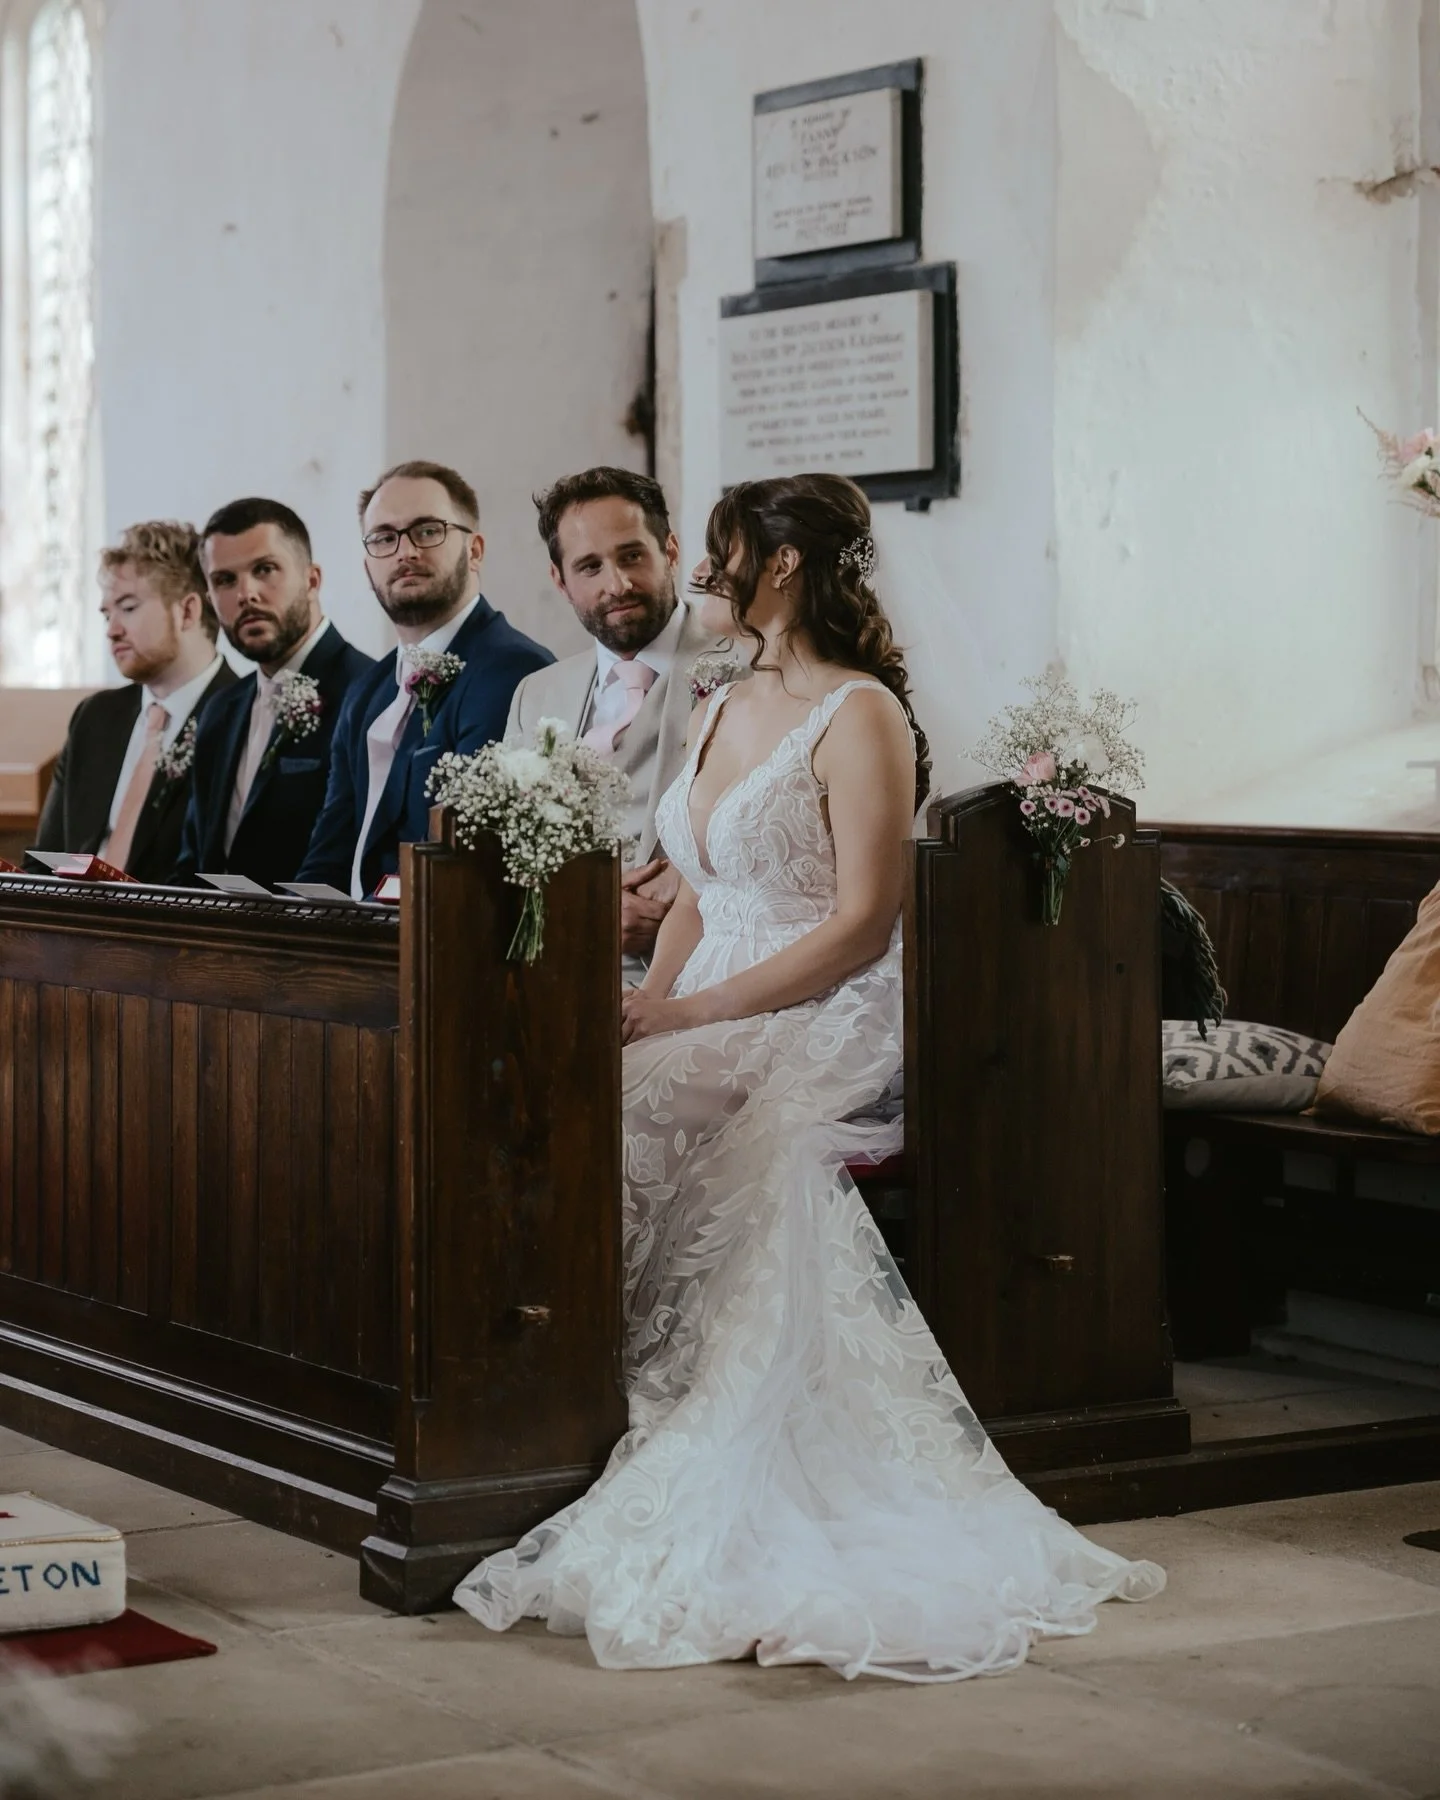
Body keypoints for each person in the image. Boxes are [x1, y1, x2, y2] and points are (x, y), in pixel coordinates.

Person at [455, 473, 1163, 1680]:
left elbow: (864, 923)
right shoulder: (725, 691)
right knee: (575, 1099)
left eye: (718, 550)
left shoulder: (861, 715)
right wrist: (648, 1005)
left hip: (825, 999)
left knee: (673, 1132)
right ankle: (543, 1403)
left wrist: (698, 1013)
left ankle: (647, 1411)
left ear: (779, 566)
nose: (699, 574)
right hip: (712, 979)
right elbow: (692, 889)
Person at [506, 467, 730, 980]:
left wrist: (679, 915)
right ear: (560, 581)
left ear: (670, 550)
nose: (618, 584)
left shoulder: (746, 665)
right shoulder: (534, 695)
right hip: (549, 968)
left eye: (632, 555)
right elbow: (510, 859)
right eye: (589, 567)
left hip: (692, 973)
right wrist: (585, 912)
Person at [297, 460, 553, 899]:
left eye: (428, 530)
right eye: (384, 538)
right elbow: (330, 849)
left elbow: (465, 856)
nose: (405, 551)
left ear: (474, 551)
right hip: (348, 945)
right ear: (367, 567)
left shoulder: (512, 671)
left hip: (434, 939)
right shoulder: (366, 692)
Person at [174, 498, 373, 889]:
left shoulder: (368, 692)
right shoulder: (220, 710)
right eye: (224, 580)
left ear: (312, 580)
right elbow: (193, 863)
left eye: (264, 570)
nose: (246, 594)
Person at [35, 522, 236, 883]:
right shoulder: (94, 717)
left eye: (127, 608)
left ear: (187, 612)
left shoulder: (242, 716)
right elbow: (46, 863)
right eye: (106, 614)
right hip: (71, 929)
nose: (112, 629)